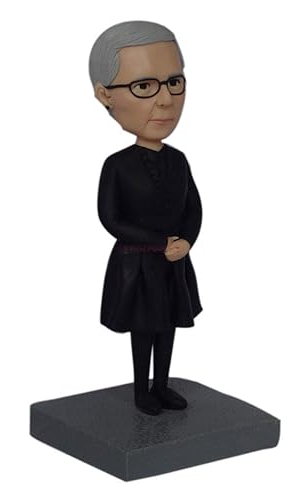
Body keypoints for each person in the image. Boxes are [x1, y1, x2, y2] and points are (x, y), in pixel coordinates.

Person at [89, 20, 203, 416]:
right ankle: (142, 389)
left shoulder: (179, 161)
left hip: (173, 263)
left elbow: (194, 207)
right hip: (138, 263)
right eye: (144, 86)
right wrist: (158, 243)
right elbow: (110, 217)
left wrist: (186, 241)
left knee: (168, 325)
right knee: (143, 328)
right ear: (105, 95)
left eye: (174, 82)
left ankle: (162, 385)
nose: (166, 100)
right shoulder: (117, 165)